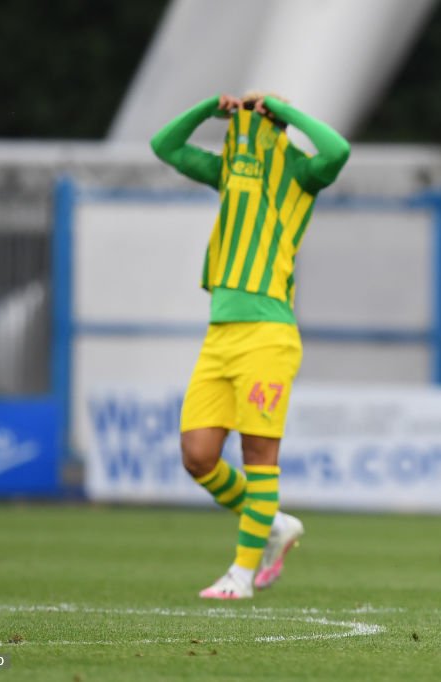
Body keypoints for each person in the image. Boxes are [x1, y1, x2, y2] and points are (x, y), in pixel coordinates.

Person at [150, 91, 350, 599]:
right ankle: (274, 523)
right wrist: (206, 108)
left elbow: (338, 150)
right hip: (220, 335)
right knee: (198, 456)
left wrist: (282, 110)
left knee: (258, 453)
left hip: (267, 335)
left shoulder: (300, 173)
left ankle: (241, 574)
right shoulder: (226, 174)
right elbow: (164, 145)